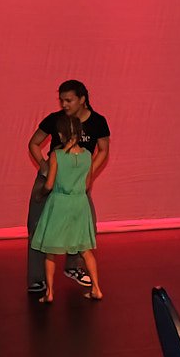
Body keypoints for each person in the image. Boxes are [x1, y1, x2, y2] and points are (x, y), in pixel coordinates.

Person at [26, 80, 110, 295]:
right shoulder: (55, 120)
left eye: (69, 100)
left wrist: (89, 172)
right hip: (51, 179)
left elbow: (103, 149)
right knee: (38, 225)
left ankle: (73, 267)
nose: (64, 104)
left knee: (83, 225)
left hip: (76, 184)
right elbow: (34, 143)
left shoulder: (98, 122)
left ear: (82, 99)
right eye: (61, 100)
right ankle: (37, 278)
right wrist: (44, 166)